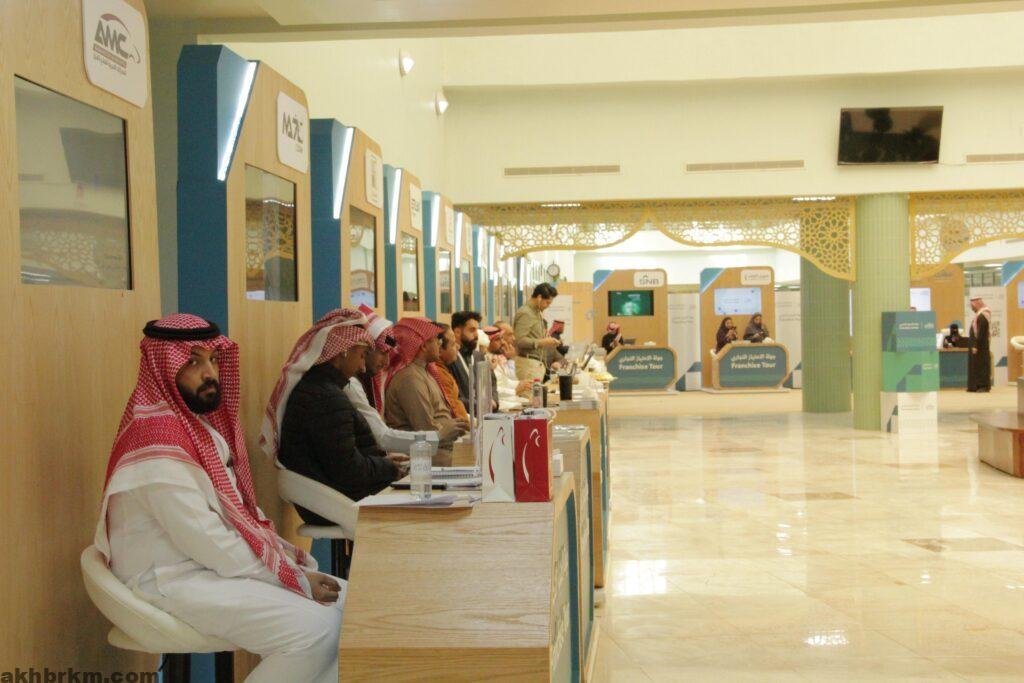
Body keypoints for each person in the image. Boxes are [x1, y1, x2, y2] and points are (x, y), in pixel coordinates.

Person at [96, 314, 343, 683]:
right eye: (193, 362)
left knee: (352, 609)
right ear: (164, 367)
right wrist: (289, 577)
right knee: (318, 632)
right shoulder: (157, 442)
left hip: (209, 567)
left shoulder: (195, 428)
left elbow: (236, 517)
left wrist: (287, 569)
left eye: (213, 359)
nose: (210, 372)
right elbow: (207, 540)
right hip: (171, 578)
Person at [262, 309, 409, 525]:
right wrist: (388, 468)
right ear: (343, 352)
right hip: (336, 503)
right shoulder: (325, 398)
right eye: (361, 356)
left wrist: (383, 463)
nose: (362, 367)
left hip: (333, 496)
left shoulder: (322, 389)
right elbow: (349, 471)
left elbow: (344, 459)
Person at [344, 304, 440, 453]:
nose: (387, 362)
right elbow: (382, 438)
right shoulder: (350, 383)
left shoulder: (370, 379)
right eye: (383, 353)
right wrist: (438, 437)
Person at [384, 317, 470, 465]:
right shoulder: (410, 378)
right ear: (423, 345)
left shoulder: (424, 371)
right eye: (437, 340)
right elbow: (427, 431)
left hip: (441, 448)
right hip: (424, 456)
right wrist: (455, 429)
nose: (439, 344)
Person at [513, 283, 561, 381]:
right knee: (530, 391)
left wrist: (546, 339)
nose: (547, 306)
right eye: (547, 302)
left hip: (536, 364)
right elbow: (519, 340)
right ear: (539, 298)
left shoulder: (537, 313)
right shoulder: (526, 313)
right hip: (528, 364)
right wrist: (542, 342)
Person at [429, 324, 470, 420]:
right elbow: (453, 411)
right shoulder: (438, 373)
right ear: (439, 349)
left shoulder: (443, 369)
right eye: (453, 344)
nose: (458, 347)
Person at [968, 296, 992, 392]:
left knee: (982, 366)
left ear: (977, 304)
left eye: (972, 306)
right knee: (976, 365)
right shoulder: (979, 315)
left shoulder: (983, 316)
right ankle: (976, 386)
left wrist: (975, 345)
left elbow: (980, 333)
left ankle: (983, 386)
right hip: (977, 345)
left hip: (981, 346)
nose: (972, 308)